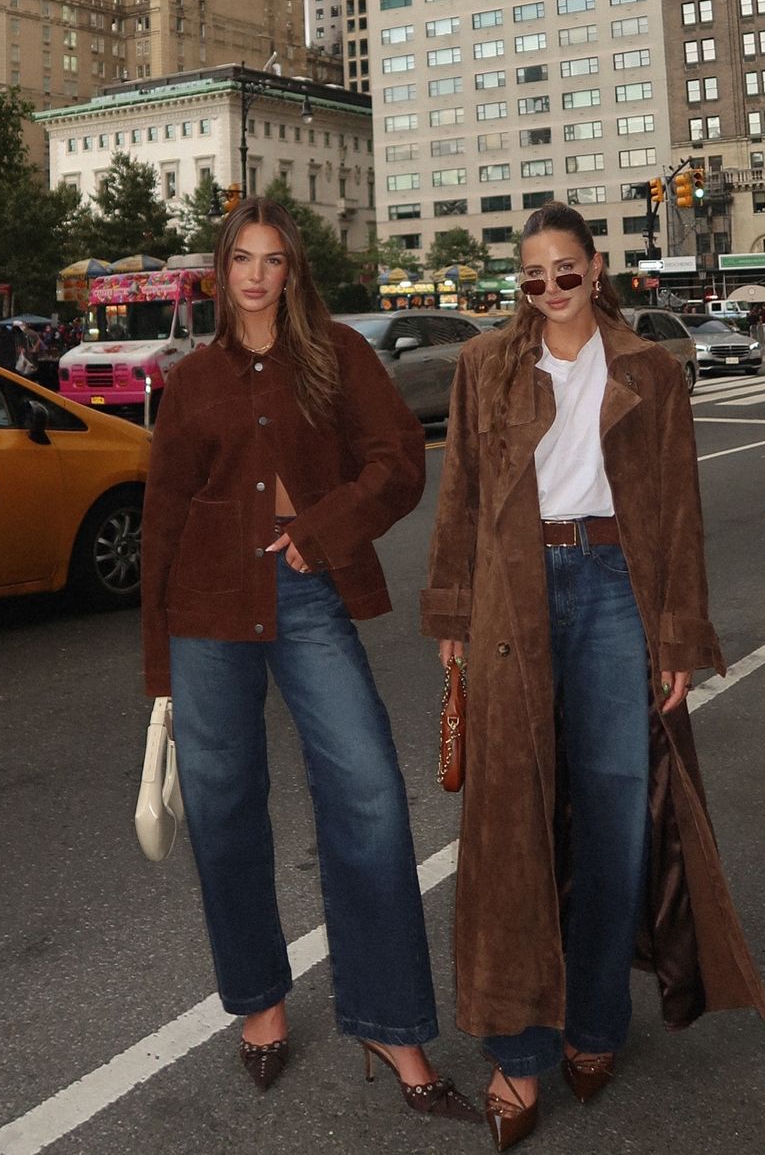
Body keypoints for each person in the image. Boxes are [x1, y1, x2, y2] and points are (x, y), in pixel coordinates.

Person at [421, 202, 765, 1150]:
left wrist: (677, 637)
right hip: (515, 590)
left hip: (616, 585)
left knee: (616, 817)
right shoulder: (485, 365)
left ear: (597, 268)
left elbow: (680, 510)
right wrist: (452, 613)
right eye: (532, 276)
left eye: (565, 271)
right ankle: (518, 1049)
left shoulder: (649, 370)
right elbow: (460, 497)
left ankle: (596, 1023)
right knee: (513, 821)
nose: (550, 289)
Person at [141, 197, 478, 1124]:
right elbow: (163, 521)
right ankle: (260, 1003)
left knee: (368, 791)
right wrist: (160, 670)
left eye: (273, 259)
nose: (256, 275)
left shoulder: (338, 355)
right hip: (206, 603)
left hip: (305, 591)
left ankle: (391, 1024)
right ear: (222, 272)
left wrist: (321, 530)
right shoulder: (192, 380)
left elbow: (398, 461)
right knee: (223, 808)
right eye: (241, 259)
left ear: (293, 270)